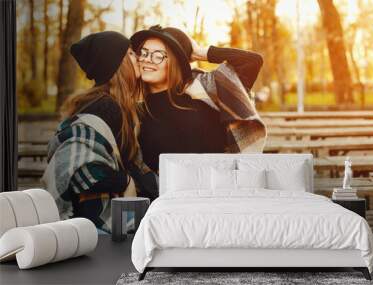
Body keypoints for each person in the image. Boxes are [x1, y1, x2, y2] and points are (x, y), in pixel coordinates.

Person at [41, 31, 158, 233]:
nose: (138, 58)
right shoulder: (103, 107)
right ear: (115, 64)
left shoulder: (119, 106)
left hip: (98, 217)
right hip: (93, 220)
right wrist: (125, 181)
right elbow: (78, 171)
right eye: (130, 54)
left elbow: (131, 164)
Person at [130, 25, 267, 172]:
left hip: (216, 187)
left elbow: (252, 61)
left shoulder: (206, 92)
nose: (147, 60)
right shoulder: (136, 112)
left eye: (158, 55)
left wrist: (200, 52)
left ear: (176, 63)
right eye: (143, 53)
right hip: (165, 192)